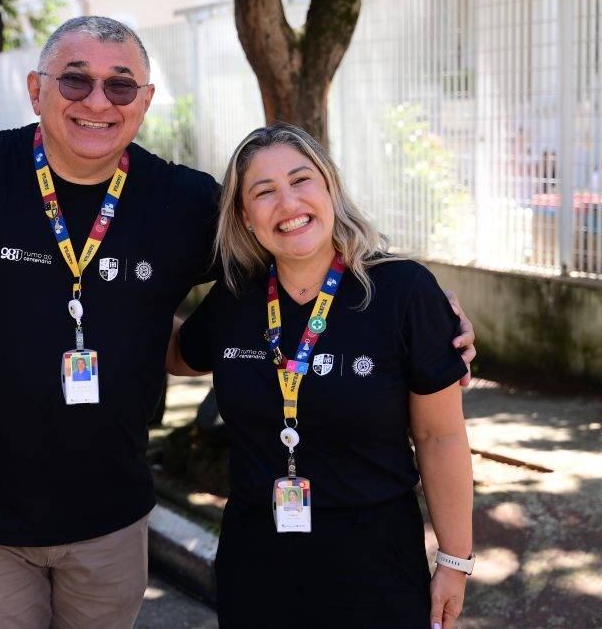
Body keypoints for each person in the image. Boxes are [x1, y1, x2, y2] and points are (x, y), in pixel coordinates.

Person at [0, 16, 476, 628]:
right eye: (75, 82)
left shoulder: (184, 202)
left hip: (112, 515)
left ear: (145, 100)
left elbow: (297, 234)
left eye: (121, 86)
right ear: (36, 89)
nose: (98, 101)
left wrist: (425, 310)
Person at [167, 124, 474, 629]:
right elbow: (181, 354)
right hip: (256, 558)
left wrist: (455, 562)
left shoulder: (403, 291)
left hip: (374, 560)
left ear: (330, 186)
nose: (287, 203)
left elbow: (439, 436)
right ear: (245, 216)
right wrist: (119, 302)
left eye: (301, 180)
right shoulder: (237, 296)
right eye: (263, 192)